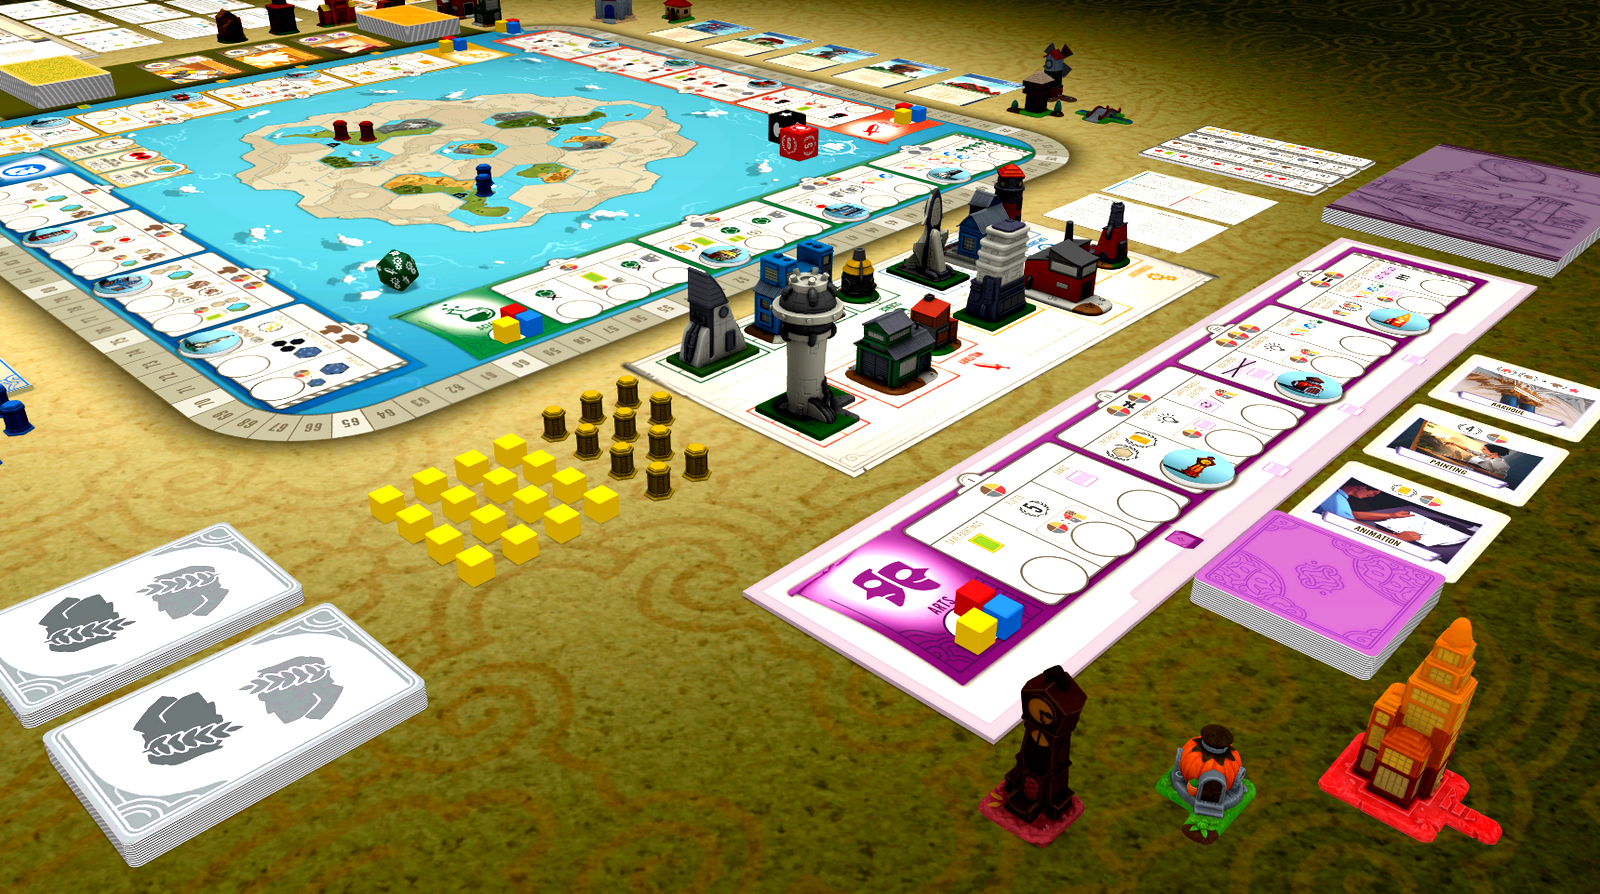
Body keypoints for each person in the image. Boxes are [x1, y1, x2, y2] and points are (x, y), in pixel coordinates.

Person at [1315, 483, 1422, 541]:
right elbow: (1352, 525)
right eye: (1374, 493)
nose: (1372, 496)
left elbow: (1352, 514)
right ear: (1361, 487)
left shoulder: (1336, 495)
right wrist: (1396, 537)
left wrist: (1391, 515)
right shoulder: (1337, 500)